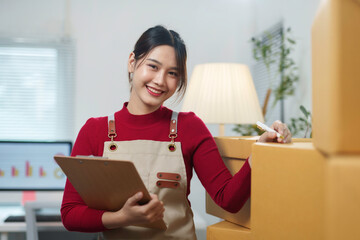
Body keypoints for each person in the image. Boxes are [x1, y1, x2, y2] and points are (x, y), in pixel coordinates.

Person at [61, 25, 292, 240]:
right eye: (153, 66)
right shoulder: (94, 131)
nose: (160, 81)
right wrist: (122, 218)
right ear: (132, 62)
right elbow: (70, 214)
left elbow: (227, 199)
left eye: (172, 73)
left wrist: (260, 150)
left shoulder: (190, 127)